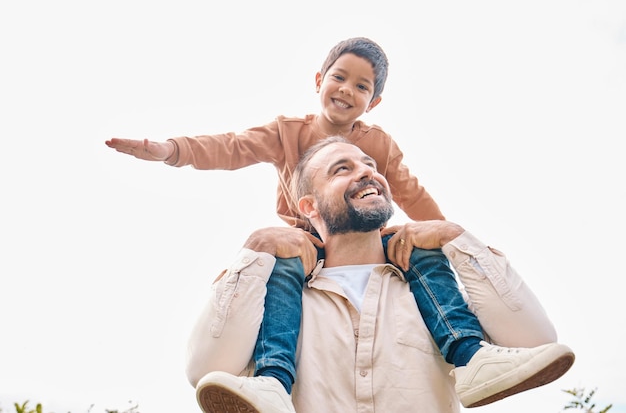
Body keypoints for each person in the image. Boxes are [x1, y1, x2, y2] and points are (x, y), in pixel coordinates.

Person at [105, 37, 551, 407]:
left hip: (373, 234)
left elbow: (410, 193)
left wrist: (445, 235)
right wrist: (171, 151)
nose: (346, 90)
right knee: (283, 272)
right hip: (304, 242)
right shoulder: (287, 132)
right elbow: (232, 146)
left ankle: (471, 358)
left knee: (419, 249)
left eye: (361, 86)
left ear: (373, 102)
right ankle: (274, 380)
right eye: (339, 77)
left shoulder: (377, 143)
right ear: (319, 80)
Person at [187, 137, 575, 412]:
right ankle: (274, 381)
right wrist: (256, 248)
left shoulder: (433, 290)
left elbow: (535, 340)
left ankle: (471, 358)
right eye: (343, 169)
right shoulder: (279, 298)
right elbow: (206, 372)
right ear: (309, 206)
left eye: (370, 166)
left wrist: (456, 237)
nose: (367, 173)